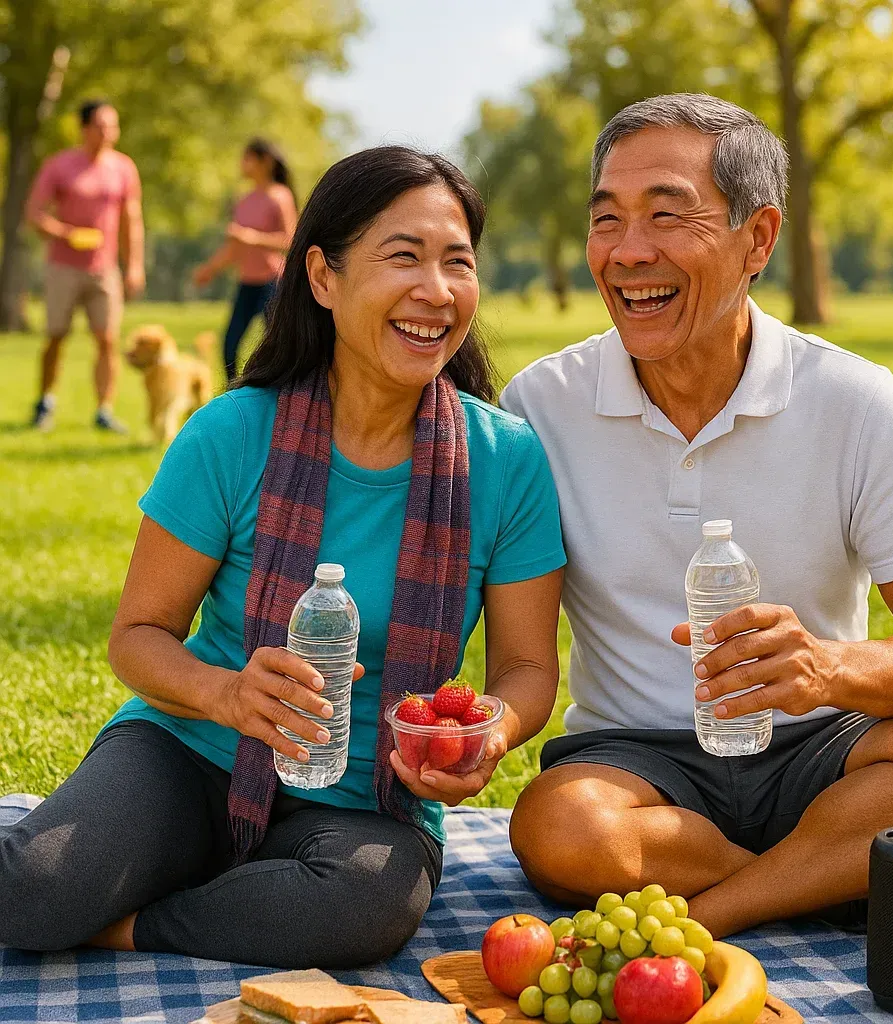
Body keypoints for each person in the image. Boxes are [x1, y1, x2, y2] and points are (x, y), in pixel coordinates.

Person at [0, 147, 566, 968]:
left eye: (458, 263)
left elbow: (527, 667)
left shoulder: (505, 460)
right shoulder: (233, 433)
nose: (436, 291)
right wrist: (225, 693)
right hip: (193, 746)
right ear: (323, 277)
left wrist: (490, 733)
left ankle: (131, 922)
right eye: (403, 256)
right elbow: (139, 635)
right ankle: (185, 883)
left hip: (373, 794)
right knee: (30, 886)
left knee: (367, 906)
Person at [502, 93, 893, 957]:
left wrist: (829, 667)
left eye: (668, 215)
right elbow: (513, 645)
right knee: (560, 830)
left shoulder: (854, 401)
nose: (629, 253)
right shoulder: (539, 405)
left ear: (759, 238)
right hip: (636, 768)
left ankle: (711, 918)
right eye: (608, 219)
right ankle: (844, 878)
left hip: (822, 751)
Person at [26, 99, 145, 433]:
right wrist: (67, 234)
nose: (109, 133)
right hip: (63, 267)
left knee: (108, 339)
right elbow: (34, 214)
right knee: (55, 336)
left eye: (113, 126)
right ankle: (45, 401)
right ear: (84, 129)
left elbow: (131, 221)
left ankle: (104, 410)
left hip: (104, 269)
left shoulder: (124, 168)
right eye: (102, 126)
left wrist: (134, 265)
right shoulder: (59, 165)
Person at [193, 138, 298, 380]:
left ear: (265, 162)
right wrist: (210, 269)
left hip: (272, 284)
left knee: (280, 345)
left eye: (247, 158)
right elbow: (234, 248)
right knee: (229, 345)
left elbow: (290, 241)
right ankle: (234, 396)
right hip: (246, 283)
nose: (242, 163)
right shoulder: (245, 201)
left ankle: (283, 393)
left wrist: (252, 238)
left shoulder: (280, 196)